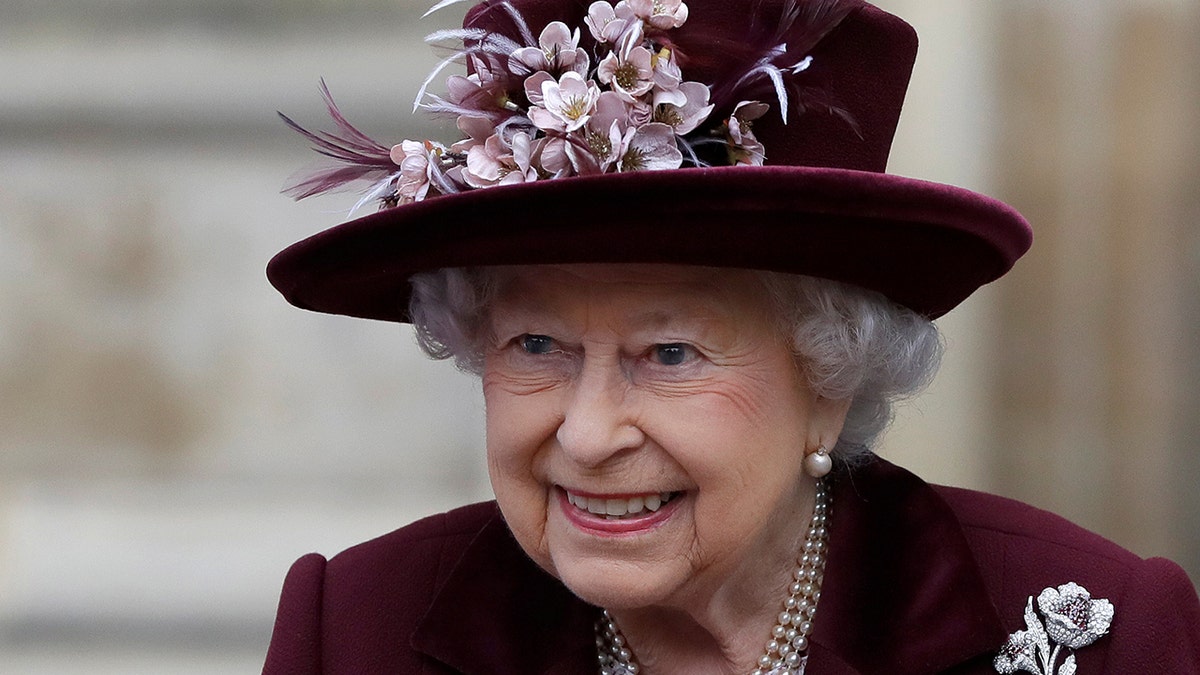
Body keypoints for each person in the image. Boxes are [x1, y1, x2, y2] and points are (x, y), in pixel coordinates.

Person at [262, 0, 1200, 672]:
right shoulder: (354, 632)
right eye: (536, 346)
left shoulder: (1096, 634)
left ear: (829, 383)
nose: (589, 436)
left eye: (669, 354)